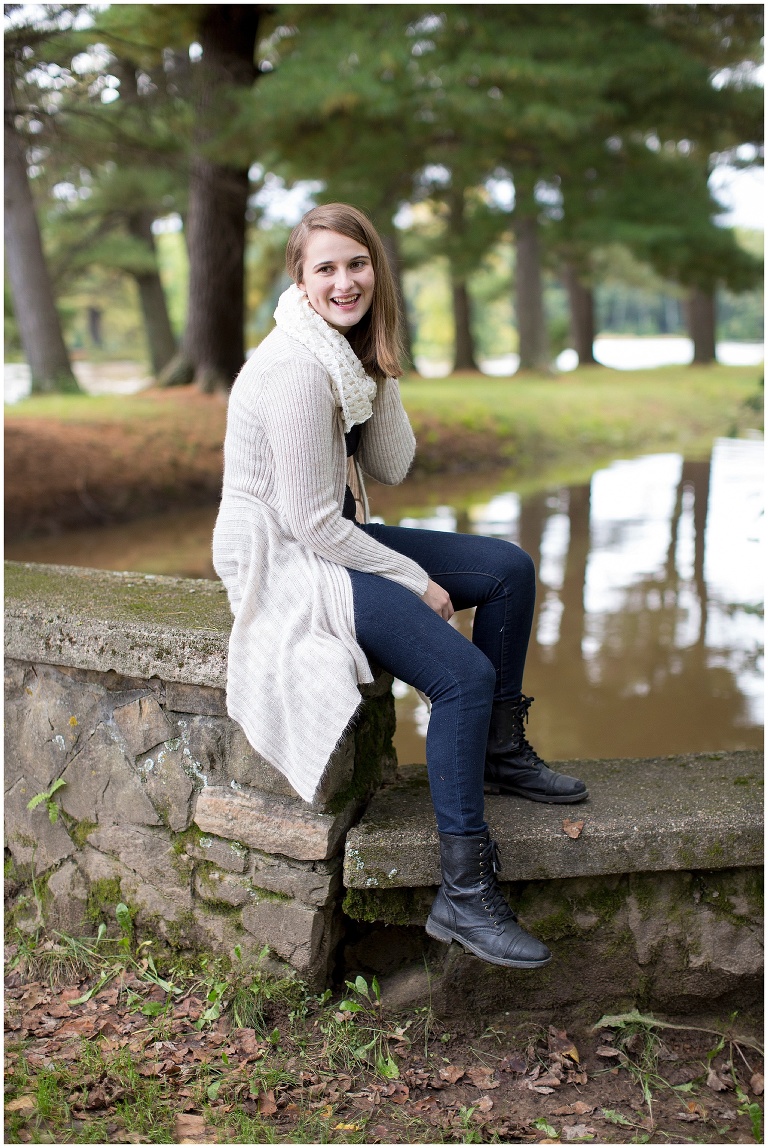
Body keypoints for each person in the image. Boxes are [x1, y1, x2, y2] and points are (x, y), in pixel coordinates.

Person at [213, 203, 588, 971]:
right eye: (327, 268)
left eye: (358, 264)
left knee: (508, 568)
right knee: (460, 674)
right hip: (289, 555)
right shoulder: (292, 370)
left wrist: (380, 362)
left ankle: (500, 751)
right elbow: (315, 525)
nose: (345, 280)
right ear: (301, 279)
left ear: (376, 269)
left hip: (329, 533)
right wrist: (413, 579)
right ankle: (465, 891)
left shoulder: (342, 358)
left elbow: (391, 465)